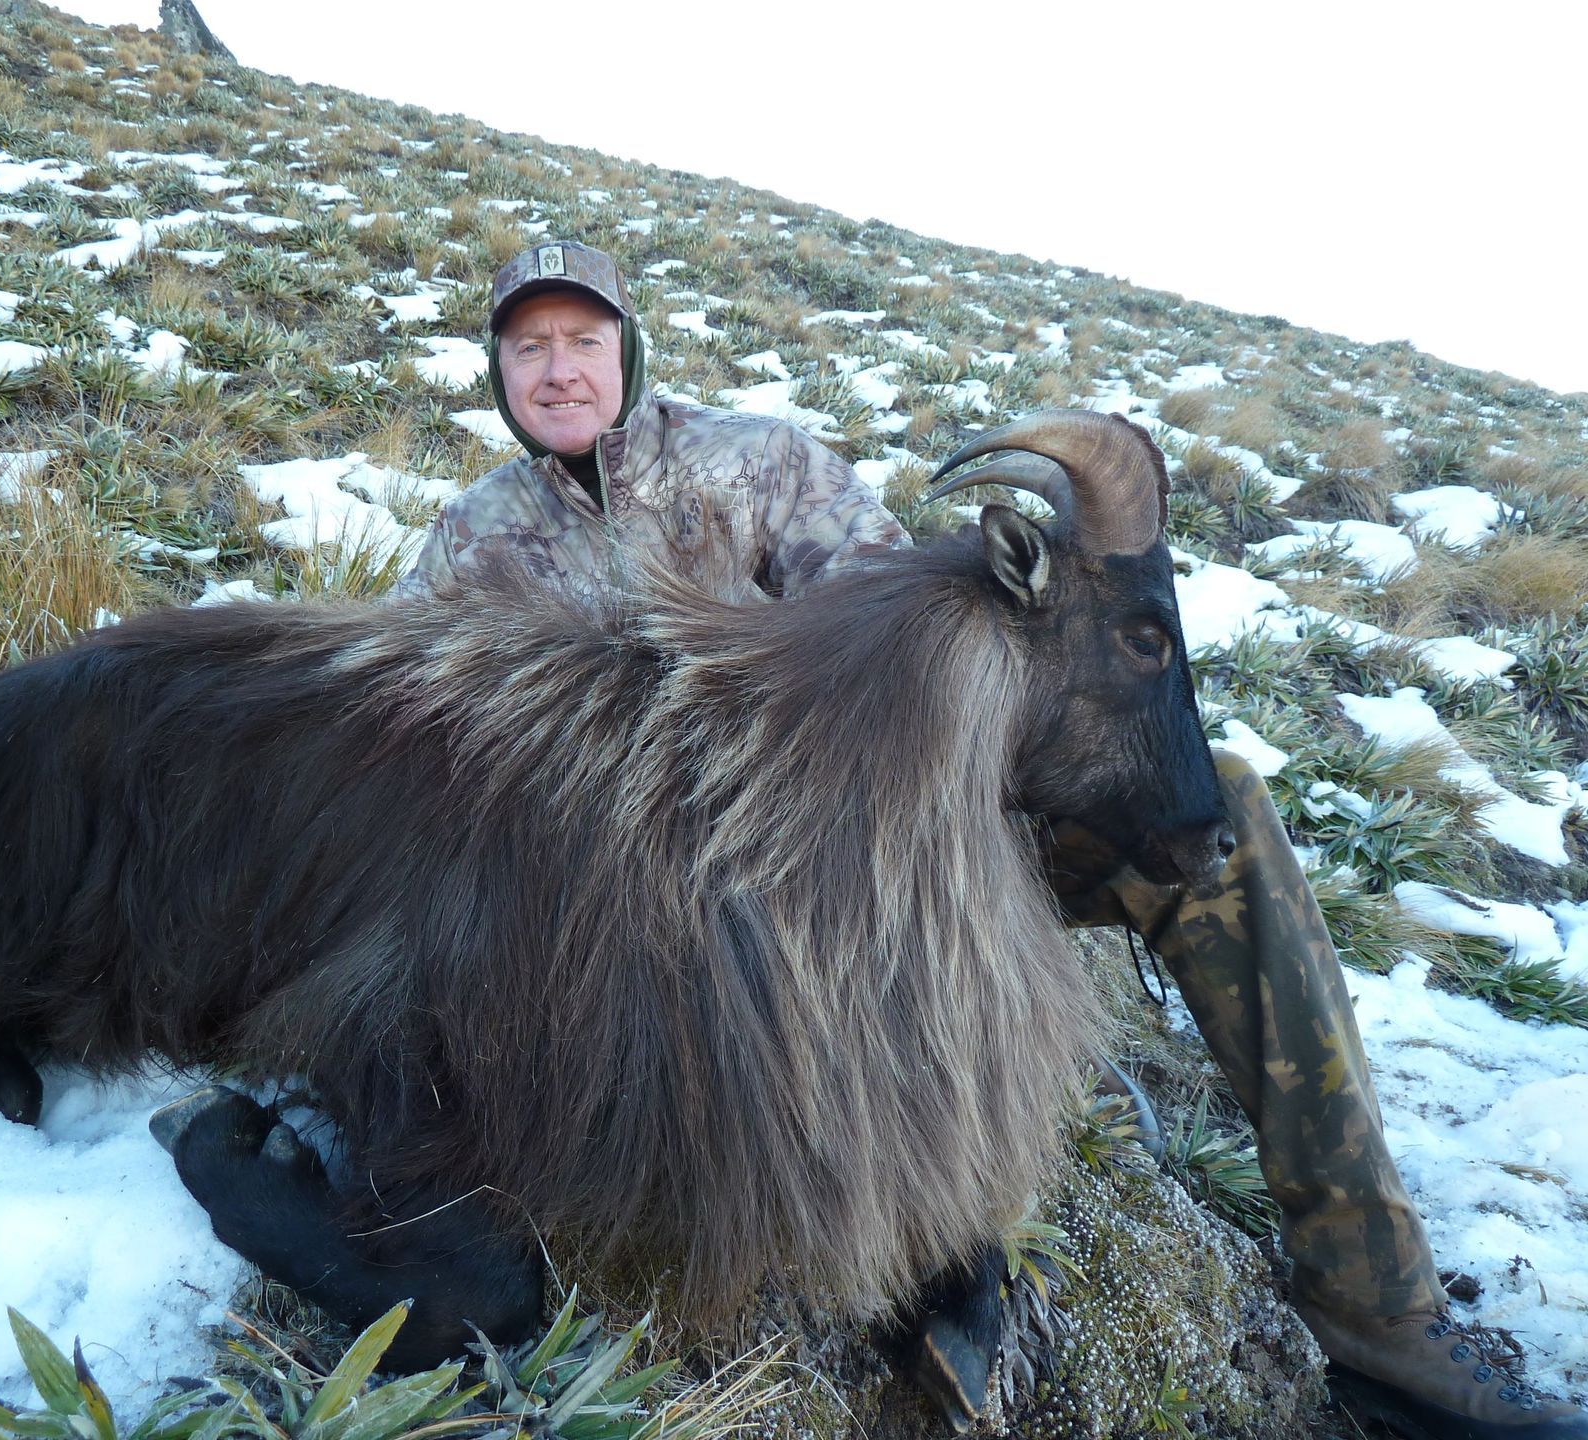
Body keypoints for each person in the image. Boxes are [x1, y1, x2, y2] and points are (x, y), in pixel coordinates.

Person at [393, 238, 1588, 1439]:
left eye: (582, 341)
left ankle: (1376, 1308)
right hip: (666, 906)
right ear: (500, 369)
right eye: (529, 347)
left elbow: (912, 652)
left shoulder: (755, 462)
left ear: (626, 350)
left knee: (1223, 812)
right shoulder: (468, 548)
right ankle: (924, 1246)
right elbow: (420, 762)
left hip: (901, 839)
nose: (558, 372)